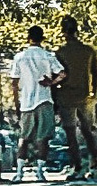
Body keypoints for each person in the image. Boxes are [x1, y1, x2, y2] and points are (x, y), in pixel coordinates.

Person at [53, 17, 97, 178]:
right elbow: (95, 72)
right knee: (88, 131)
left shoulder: (60, 53)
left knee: (70, 132)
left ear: (63, 32)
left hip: (66, 95)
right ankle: (95, 163)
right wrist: (93, 91)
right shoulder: (88, 51)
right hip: (84, 95)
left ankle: (77, 166)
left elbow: (57, 76)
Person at [10, 24, 62, 177]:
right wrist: (51, 83)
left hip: (26, 102)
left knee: (24, 138)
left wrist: (17, 104)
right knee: (43, 138)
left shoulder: (19, 57)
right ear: (42, 38)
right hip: (45, 100)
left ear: (28, 38)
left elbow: (14, 83)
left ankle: (19, 172)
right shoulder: (48, 55)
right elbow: (62, 74)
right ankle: (40, 171)